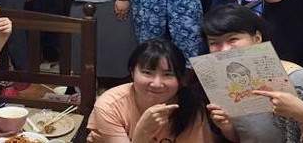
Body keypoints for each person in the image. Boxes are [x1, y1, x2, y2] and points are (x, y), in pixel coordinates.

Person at [203, 4, 303, 143]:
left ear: (257, 38)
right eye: (214, 43)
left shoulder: (298, 79)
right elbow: (246, 136)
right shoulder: (226, 85)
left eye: (233, 39)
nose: (224, 50)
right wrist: (227, 128)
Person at [86, 38, 217, 142]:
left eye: (168, 74)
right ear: (132, 72)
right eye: (147, 73)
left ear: (181, 79)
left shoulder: (192, 106)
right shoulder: (110, 106)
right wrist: (142, 132)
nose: (157, 84)